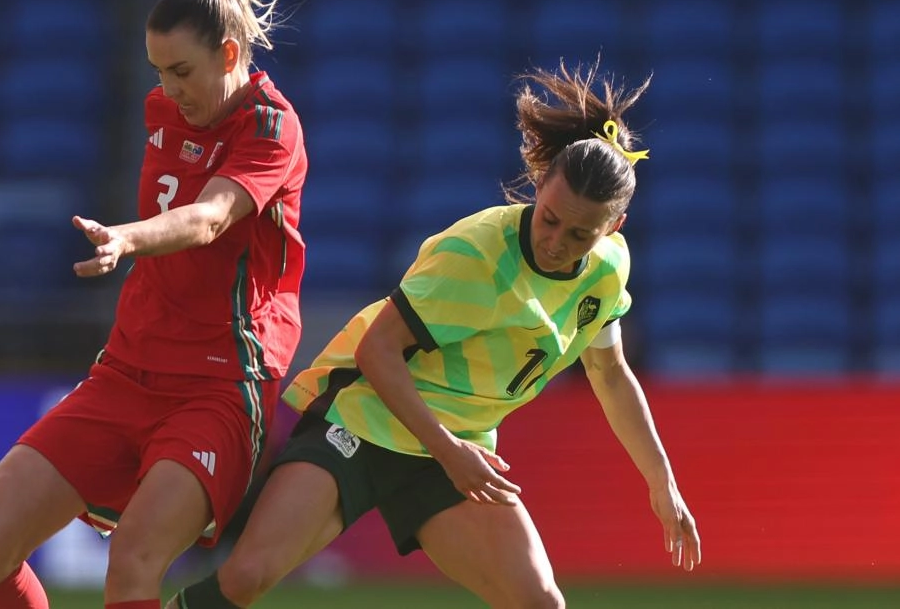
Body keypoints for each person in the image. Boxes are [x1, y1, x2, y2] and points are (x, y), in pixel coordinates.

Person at [168, 62, 702, 609]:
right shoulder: (475, 253)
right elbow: (377, 351)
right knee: (247, 577)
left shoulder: (608, 271)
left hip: (455, 449)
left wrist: (661, 482)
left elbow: (610, 374)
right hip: (364, 418)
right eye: (549, 219)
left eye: (581, 234)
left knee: (541, 603)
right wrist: (447, 451)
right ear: (540, 185)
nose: (556, 243)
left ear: (613, 228)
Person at [0, 0, 308, 609]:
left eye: (182, 71)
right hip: (129, 367)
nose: (169, 89)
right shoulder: (164, 109)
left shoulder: (271, 128)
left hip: (221, 382)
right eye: (157, 72)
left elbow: (209, 219)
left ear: (229, 54)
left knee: (135, 562)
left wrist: (127, 238)